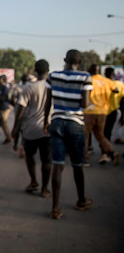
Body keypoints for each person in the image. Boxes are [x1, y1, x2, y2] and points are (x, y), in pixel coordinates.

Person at [44, 50, 94, 220]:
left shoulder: (53, 76)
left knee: (58, 165)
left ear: (65, 60)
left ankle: (55, 208)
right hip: (75, 124)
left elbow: (48, 101)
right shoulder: (85, 77)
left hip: (56, 122)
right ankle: (81, 200)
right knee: (77, 164)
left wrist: (46, 121)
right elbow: (86, 103)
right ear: (79, 62)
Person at [11, 60, 52, 198]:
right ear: (48, 70)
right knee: (47, 160)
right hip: (48, 128)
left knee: (30, 155)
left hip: (31, 127)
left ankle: (33, 180)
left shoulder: (29, 87)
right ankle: (45, 188)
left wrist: (16, 126)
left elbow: (21, 108)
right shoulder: (53, 86)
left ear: (35, 71)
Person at [83, 64, 120, 166]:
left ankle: (85, 159)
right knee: (100, 135)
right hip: (103, 112)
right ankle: (112, 152)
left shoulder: (88, 79)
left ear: (90, 70)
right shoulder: (107, 81)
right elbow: (116, 90)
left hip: (90, 111)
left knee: (85, 135)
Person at [103, 67, 124, 142]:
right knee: (110, 129)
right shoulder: (120, 85)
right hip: (114, 110)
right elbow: (122, 99)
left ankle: (105, 149)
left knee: (104, 131)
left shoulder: (103, 83)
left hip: (102, 110)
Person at [0, 75, 12, 145]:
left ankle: (9, 138)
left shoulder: (5, 88)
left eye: (0, 79)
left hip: (4, 108)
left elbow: (4, 98)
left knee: (4, 123)